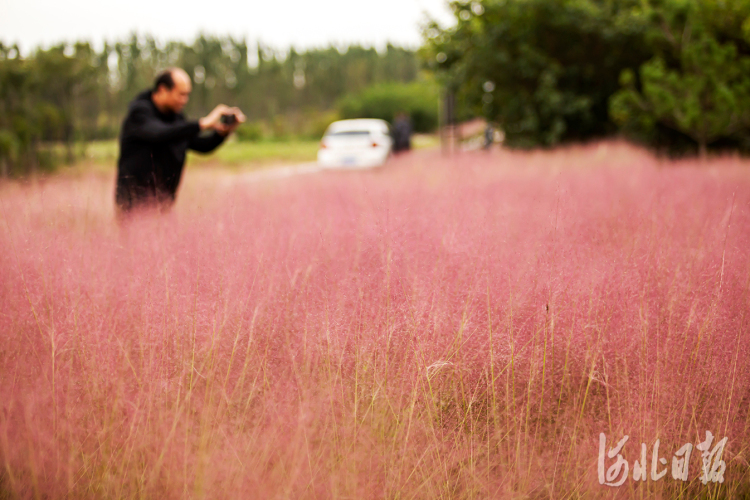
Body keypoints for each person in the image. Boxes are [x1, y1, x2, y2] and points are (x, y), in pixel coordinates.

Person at [115, 67, 245, 215]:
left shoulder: (176, 117)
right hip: (133, 206)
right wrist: (201, 124)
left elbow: (202, 145)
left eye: (187, 95)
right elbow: (159, 133)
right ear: (163, 90)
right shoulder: (139, 113)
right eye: (181, 94)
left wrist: (222, 133)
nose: (185, 100)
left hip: (163, 206)